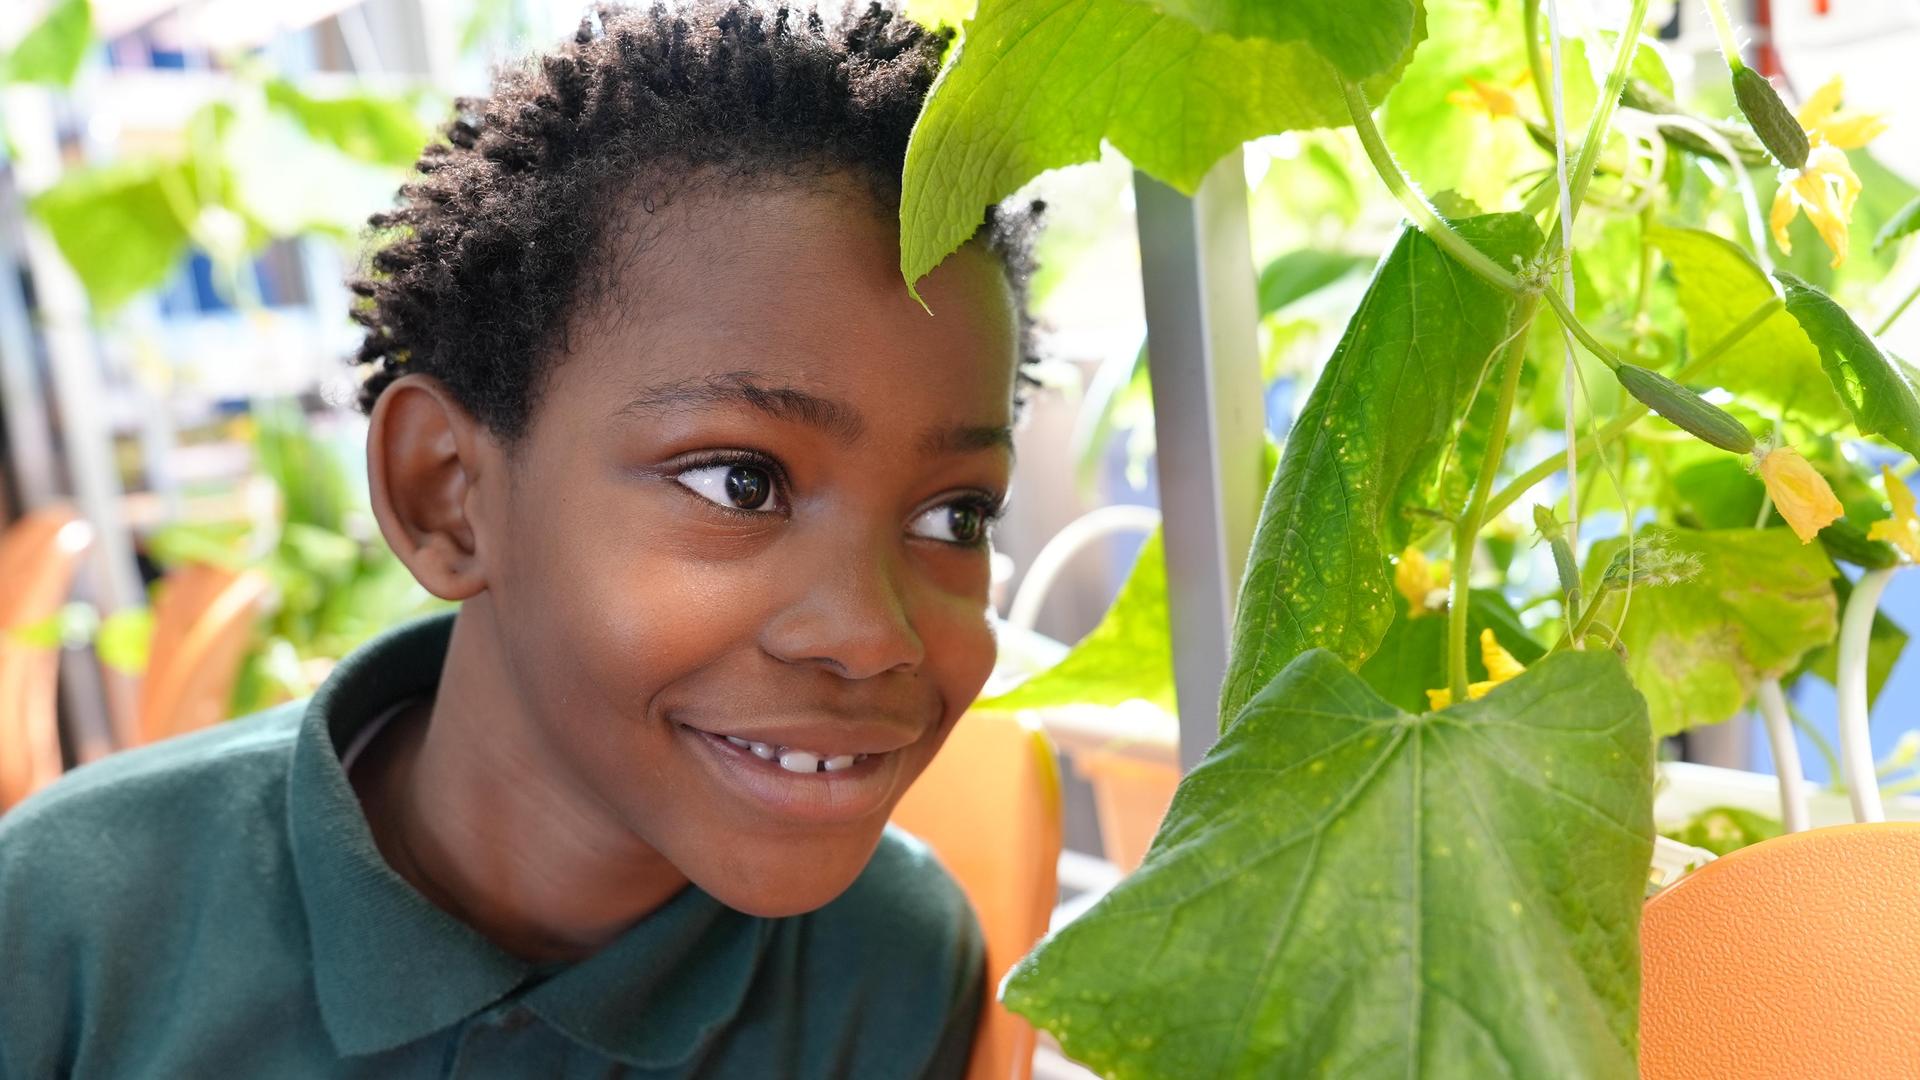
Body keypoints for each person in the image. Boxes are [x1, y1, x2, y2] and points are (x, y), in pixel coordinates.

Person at [0, 2, 1043, 1074]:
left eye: (954, 515)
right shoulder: (65, 929)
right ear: (447, 495)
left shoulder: (894, 970)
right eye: (742, 482)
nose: (873, 635)